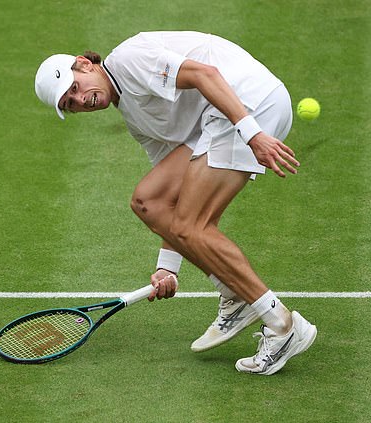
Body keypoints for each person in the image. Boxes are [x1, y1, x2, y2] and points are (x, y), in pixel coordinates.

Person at [34, 31, 316, 375]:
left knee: (190, 226)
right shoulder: (135, 119)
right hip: (227, 120)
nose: (80, 101)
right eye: (70, 104)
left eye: (75, 89)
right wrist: (168, 266)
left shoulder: (127, 60)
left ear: (84, 63)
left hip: (249, 104)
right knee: (147, 200)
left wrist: (252, 134)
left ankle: (282, 326)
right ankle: (234, 292)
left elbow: (204, 75)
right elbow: (170, 197)